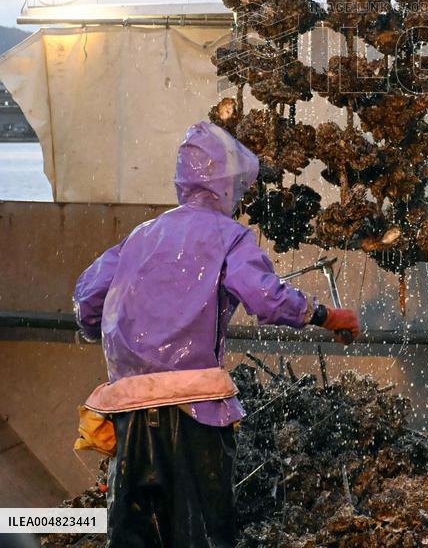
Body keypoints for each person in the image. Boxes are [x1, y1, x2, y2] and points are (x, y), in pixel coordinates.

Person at [73, 121, 360, 548]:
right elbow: (266, 297)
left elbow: (87, 301)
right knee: (201, 534)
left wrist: (111, 330)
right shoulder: (229, 235)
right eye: (238, 191)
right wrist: (326, 316)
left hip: (129, 414)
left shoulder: (141, 236)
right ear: (226, 186)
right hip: (195, 413)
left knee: (134, 536)